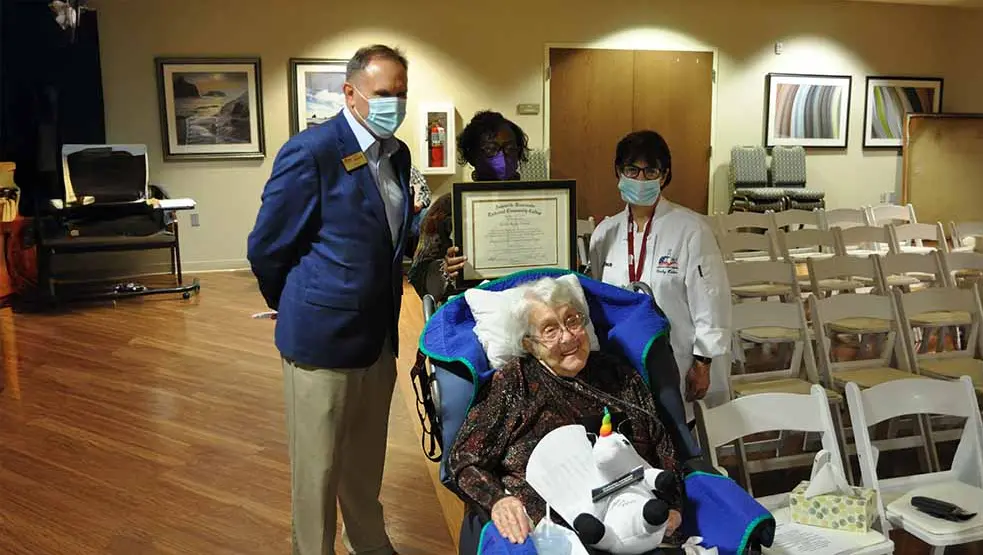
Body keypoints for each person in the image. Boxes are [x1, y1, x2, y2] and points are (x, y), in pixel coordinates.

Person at [246, 44, 411, 555]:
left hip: (378, 343)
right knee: (316, 475)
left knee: (365, 468)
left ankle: (370, 544)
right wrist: (296, 303)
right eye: (384, 94)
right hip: (321, 344)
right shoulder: (312, 151)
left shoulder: (397, 154)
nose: (395, 104)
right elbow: (267, 246)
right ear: (350, 93)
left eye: (402, 94)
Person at [448, 277, 684, 545]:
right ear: (529, 344)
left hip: (639, 523)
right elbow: (465, 459)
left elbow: (662, 442)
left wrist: (673, 503)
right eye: (550, 329)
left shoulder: (617, 373)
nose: (569, 336)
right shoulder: (515, 382)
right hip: (557, 537)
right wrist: (498, 500)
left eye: (572, 320)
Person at [588, 131, 731, 423]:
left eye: (650, 171)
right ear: (618, 172)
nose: (640, 179)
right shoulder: (606, 232)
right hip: (622, 357)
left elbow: (711, 300)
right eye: (632, 170)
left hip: (677, 356)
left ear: (664, 176)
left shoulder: (691, 229)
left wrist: (702, 362)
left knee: (678, 431)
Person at [407, 110, 531, 301]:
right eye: (491, 149)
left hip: (532, 302)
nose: (502, 157)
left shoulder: (541, 202)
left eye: (510, 149)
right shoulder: (447, 207)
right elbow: (418, 273)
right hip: (470, 309)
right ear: (472, 155)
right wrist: (445, 269)